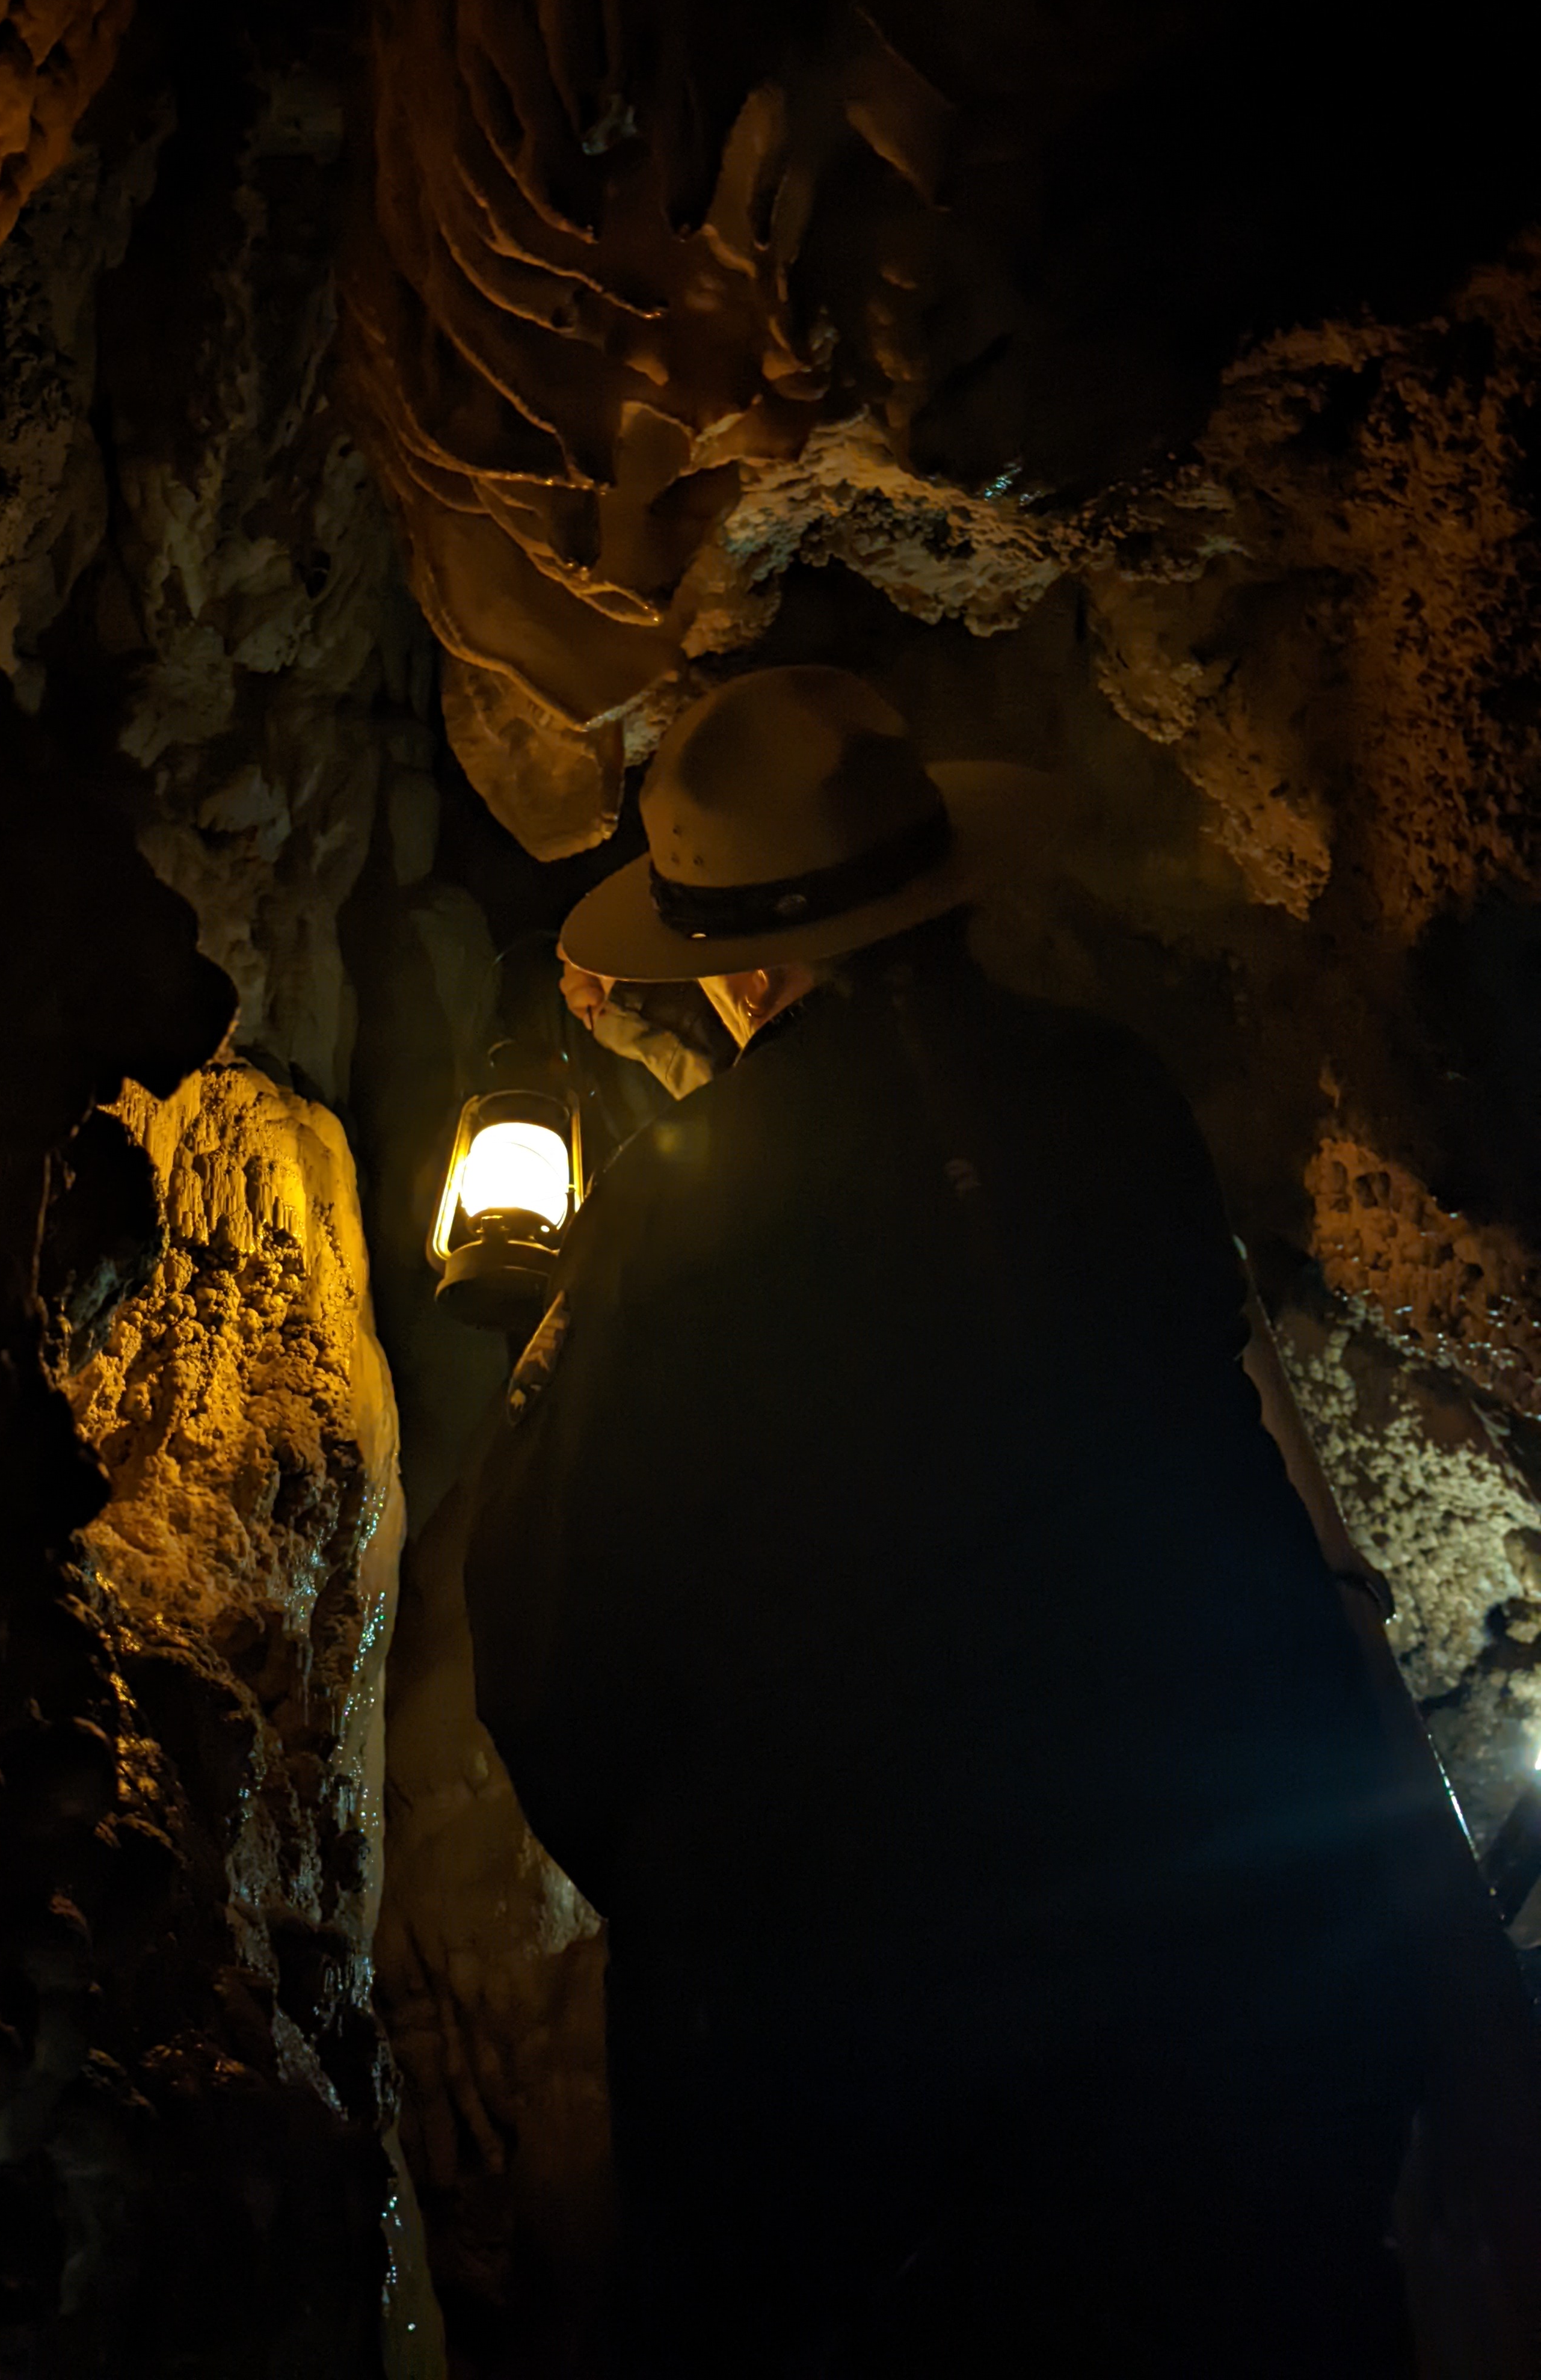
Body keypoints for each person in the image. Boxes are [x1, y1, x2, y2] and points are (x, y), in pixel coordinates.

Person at [462, 665, 1423, 2375]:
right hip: (1229, 1939)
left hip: (875, 2028)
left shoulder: (672, 1226)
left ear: (735, 969)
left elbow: (555, 1654)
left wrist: (713, 1916)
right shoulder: (1109, 1100)